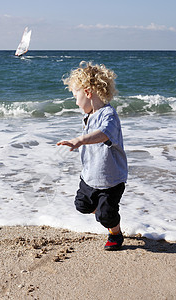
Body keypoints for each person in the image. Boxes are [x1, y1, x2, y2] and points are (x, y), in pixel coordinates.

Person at [57, 61, 128, 251]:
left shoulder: (109, 115)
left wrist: (80, 140)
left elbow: (104, 134)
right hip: (90, 176)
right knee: (81, 204)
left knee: (106, 216)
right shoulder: (89, 115)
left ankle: (115, 233)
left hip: (111, 180)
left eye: (75, 96)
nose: (75, 102)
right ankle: (104, 212)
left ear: (88, 92)